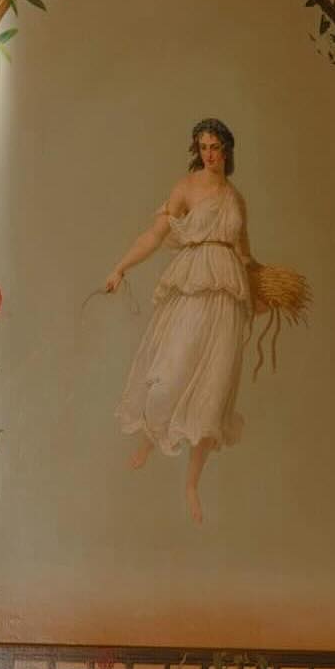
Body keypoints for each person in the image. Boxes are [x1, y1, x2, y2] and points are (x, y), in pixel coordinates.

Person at [108, 118, 263, 524]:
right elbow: (154, 236)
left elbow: (244, 255)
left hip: (227, 294)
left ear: (227, 149)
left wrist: (264, 286)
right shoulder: (186, 187)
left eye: (216, 146)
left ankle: (192, 485)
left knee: (215, 386)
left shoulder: (235, 198)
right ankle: (148, 439)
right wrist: (120, 268)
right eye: (203, 146)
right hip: (194, 282)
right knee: (171, 368)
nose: (209, 153)